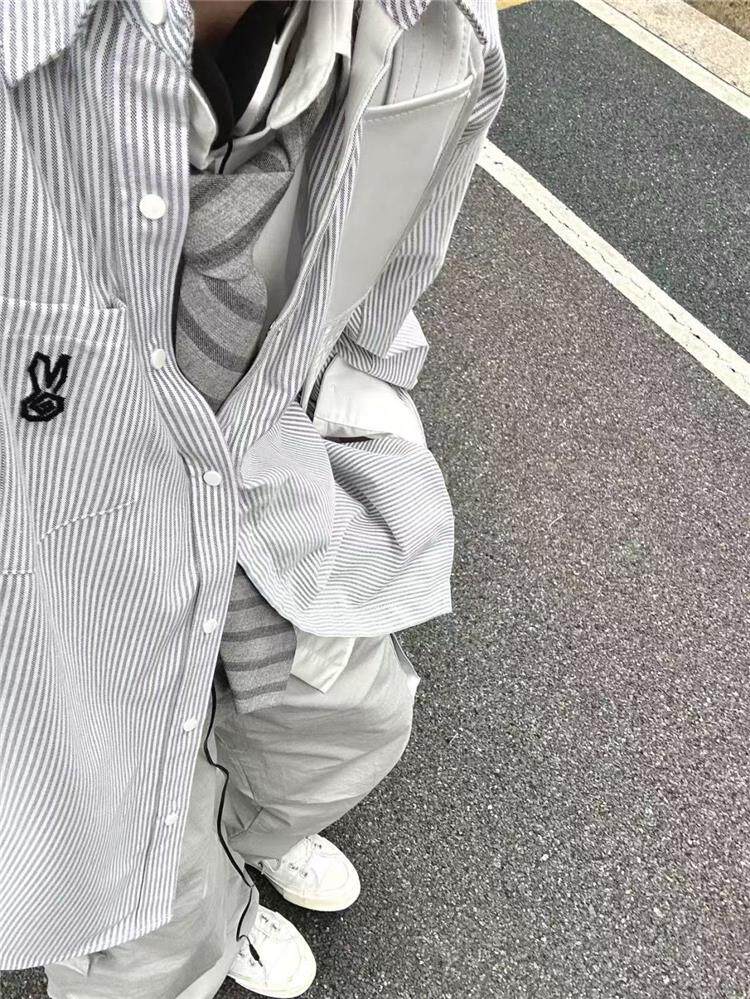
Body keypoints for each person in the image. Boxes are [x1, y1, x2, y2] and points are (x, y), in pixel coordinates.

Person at [0, 1, 505, 996]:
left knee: (346, 723)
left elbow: (382, 304)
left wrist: (365, 453)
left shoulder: (446, 33)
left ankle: (235, 860)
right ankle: (194, 893)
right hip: (57, 554)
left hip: (268, 474)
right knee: (134, 917)